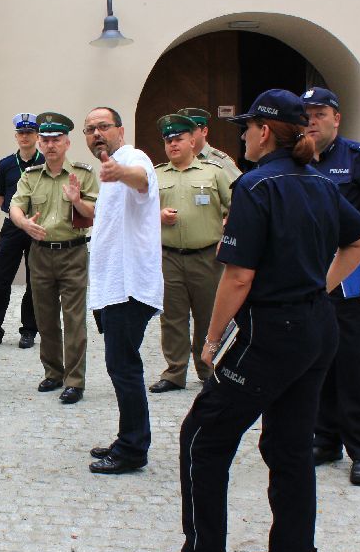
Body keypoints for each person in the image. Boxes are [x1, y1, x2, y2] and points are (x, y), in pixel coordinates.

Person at [146, 89, 360, 552]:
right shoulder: (317, 181)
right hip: (317, 329)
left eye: (247, 127)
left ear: (265, 131)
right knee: (289, 444)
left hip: (272, 333)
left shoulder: (257, 185)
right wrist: (323, 286)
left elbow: (239, 276)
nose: (242, 134)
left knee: (202, 437)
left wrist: (211, 339)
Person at [303, 87, 360, 487]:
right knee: (317, 361)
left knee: (354, 364)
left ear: (336, 118)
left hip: (352, 279)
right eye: (306, 114)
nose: (312, 120)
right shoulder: (298, 158)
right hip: (309, 278)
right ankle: (325, 438)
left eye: (320, 113)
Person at [83, 107, 163, 474]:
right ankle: (127, 437)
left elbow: (142, 180)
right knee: (121, 365)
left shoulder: (133, 159)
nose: (96, 133)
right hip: (112, 287)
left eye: (103, 127)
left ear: (120, 129)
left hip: (128, 287)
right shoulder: (109, 172)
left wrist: (120, 172)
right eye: (90, 129)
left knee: (124, 367)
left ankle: (133, 449)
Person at [9, 111, 98, 405]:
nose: (50, 145)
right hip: (41, 255)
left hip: (73, 252)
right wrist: (24, 224)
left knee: (74, 320)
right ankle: (53, 372)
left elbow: (95, 213)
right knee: (45, 319)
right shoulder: (31, 176)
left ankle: (75, 381)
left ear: (67, 143)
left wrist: (77, 200)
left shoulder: (83, 174)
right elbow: (15, 207)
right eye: (45, 140)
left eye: (56, 140)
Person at [150, 114, 232, 394]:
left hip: (206, 256)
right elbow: (139, 213)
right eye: (168, 140)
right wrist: (157, 215)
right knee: (172, 316)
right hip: (169, 256)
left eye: (178, 139)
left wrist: (227, 234)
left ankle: (208, 367)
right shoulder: (156, 175)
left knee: (207, 315)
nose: (173, 144)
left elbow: (235, 207)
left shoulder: (213, 172)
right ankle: (175, 372)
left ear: (192, 140)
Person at [0, 113, 44, 349]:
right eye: (21, 133)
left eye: (29, 133)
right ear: (16, 136)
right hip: (13, 227)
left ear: (36, 136)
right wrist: (17, 215)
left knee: (35, 279)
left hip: (37, 226)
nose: (25, 137)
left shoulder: (45, 162)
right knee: (0, 277)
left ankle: (29, 330)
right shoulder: (5, 164)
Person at [177, 107, 242, 181]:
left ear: (204, 131)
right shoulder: (179, 159)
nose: (186, 134)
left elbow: (241, 189)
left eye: (190, 130)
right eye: (183, 130)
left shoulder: (220, 161)